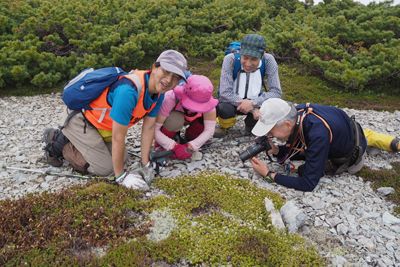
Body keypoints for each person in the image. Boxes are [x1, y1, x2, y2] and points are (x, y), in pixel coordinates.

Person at [42, 50, 187, 187]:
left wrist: (145, 164)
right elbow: (118, 136)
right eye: (166, 72)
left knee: (123, 158)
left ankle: (79, 142)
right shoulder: (128, 91)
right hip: (81, 119)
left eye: (176, 77)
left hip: (102, 126)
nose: (169, 80)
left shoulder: (159, 93)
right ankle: (58, 142)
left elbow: (148, 128)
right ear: (154, 67)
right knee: (105, 169)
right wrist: (121, 177)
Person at [249, 98, 400, 192]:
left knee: (303, 167)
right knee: (364, 135)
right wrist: (276, 150)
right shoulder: (298, 112)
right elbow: (295, 146)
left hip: (351, 154)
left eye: (270, 131)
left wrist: (269, 175)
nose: (268, 135)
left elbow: (308, 183)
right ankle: (383, 140)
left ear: (288, 125)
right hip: (350, 129)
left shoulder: (318, 134)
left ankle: (380, 142)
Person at [214, 34, 282, 138]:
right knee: (224, 108)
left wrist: (253, 103)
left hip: (256, 101)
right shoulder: (230, 59)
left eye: (254, 59)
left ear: (262, 55)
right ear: (240, 51)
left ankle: (250, 124)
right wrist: (252, 109)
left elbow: (276, 92)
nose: (248, 64)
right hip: (231, 102)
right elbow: (225, 94)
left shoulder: (269, 60)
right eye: (245, 58)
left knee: (266, 113)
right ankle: (224, 125)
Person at [154, 75, 218, 159]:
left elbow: (209, 131)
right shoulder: (170, 98)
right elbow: (153, 129)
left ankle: (191, 136)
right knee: (175, 120)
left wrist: (191, 145)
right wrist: (173, 146)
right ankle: (163, 142)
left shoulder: (208, 103)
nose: (195, 108)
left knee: (205, 118)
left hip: (191, 120)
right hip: (173, 119)